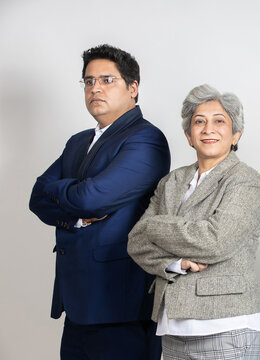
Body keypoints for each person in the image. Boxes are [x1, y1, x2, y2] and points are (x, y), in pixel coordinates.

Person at [28, 44, 170, 359]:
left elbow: (92, 198)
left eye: (107, 80)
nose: (95, 88)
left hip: (121, 304)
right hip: (77, 303)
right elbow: (38, 196)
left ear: (133, 88)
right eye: (89, 81)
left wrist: (68, 189)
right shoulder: (78, 142)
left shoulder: (146, 139)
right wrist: (73, 216)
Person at [127, 84, 260, 360]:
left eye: (219, 121)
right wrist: (175, 263)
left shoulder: (246, 180)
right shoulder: (171, 181)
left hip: (226, 326)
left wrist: (155, 226)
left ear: (236, 133)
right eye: (198, 122)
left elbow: (215, 240)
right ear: (189, 136)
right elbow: (135, 241)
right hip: (173, 325)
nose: (208, 129)